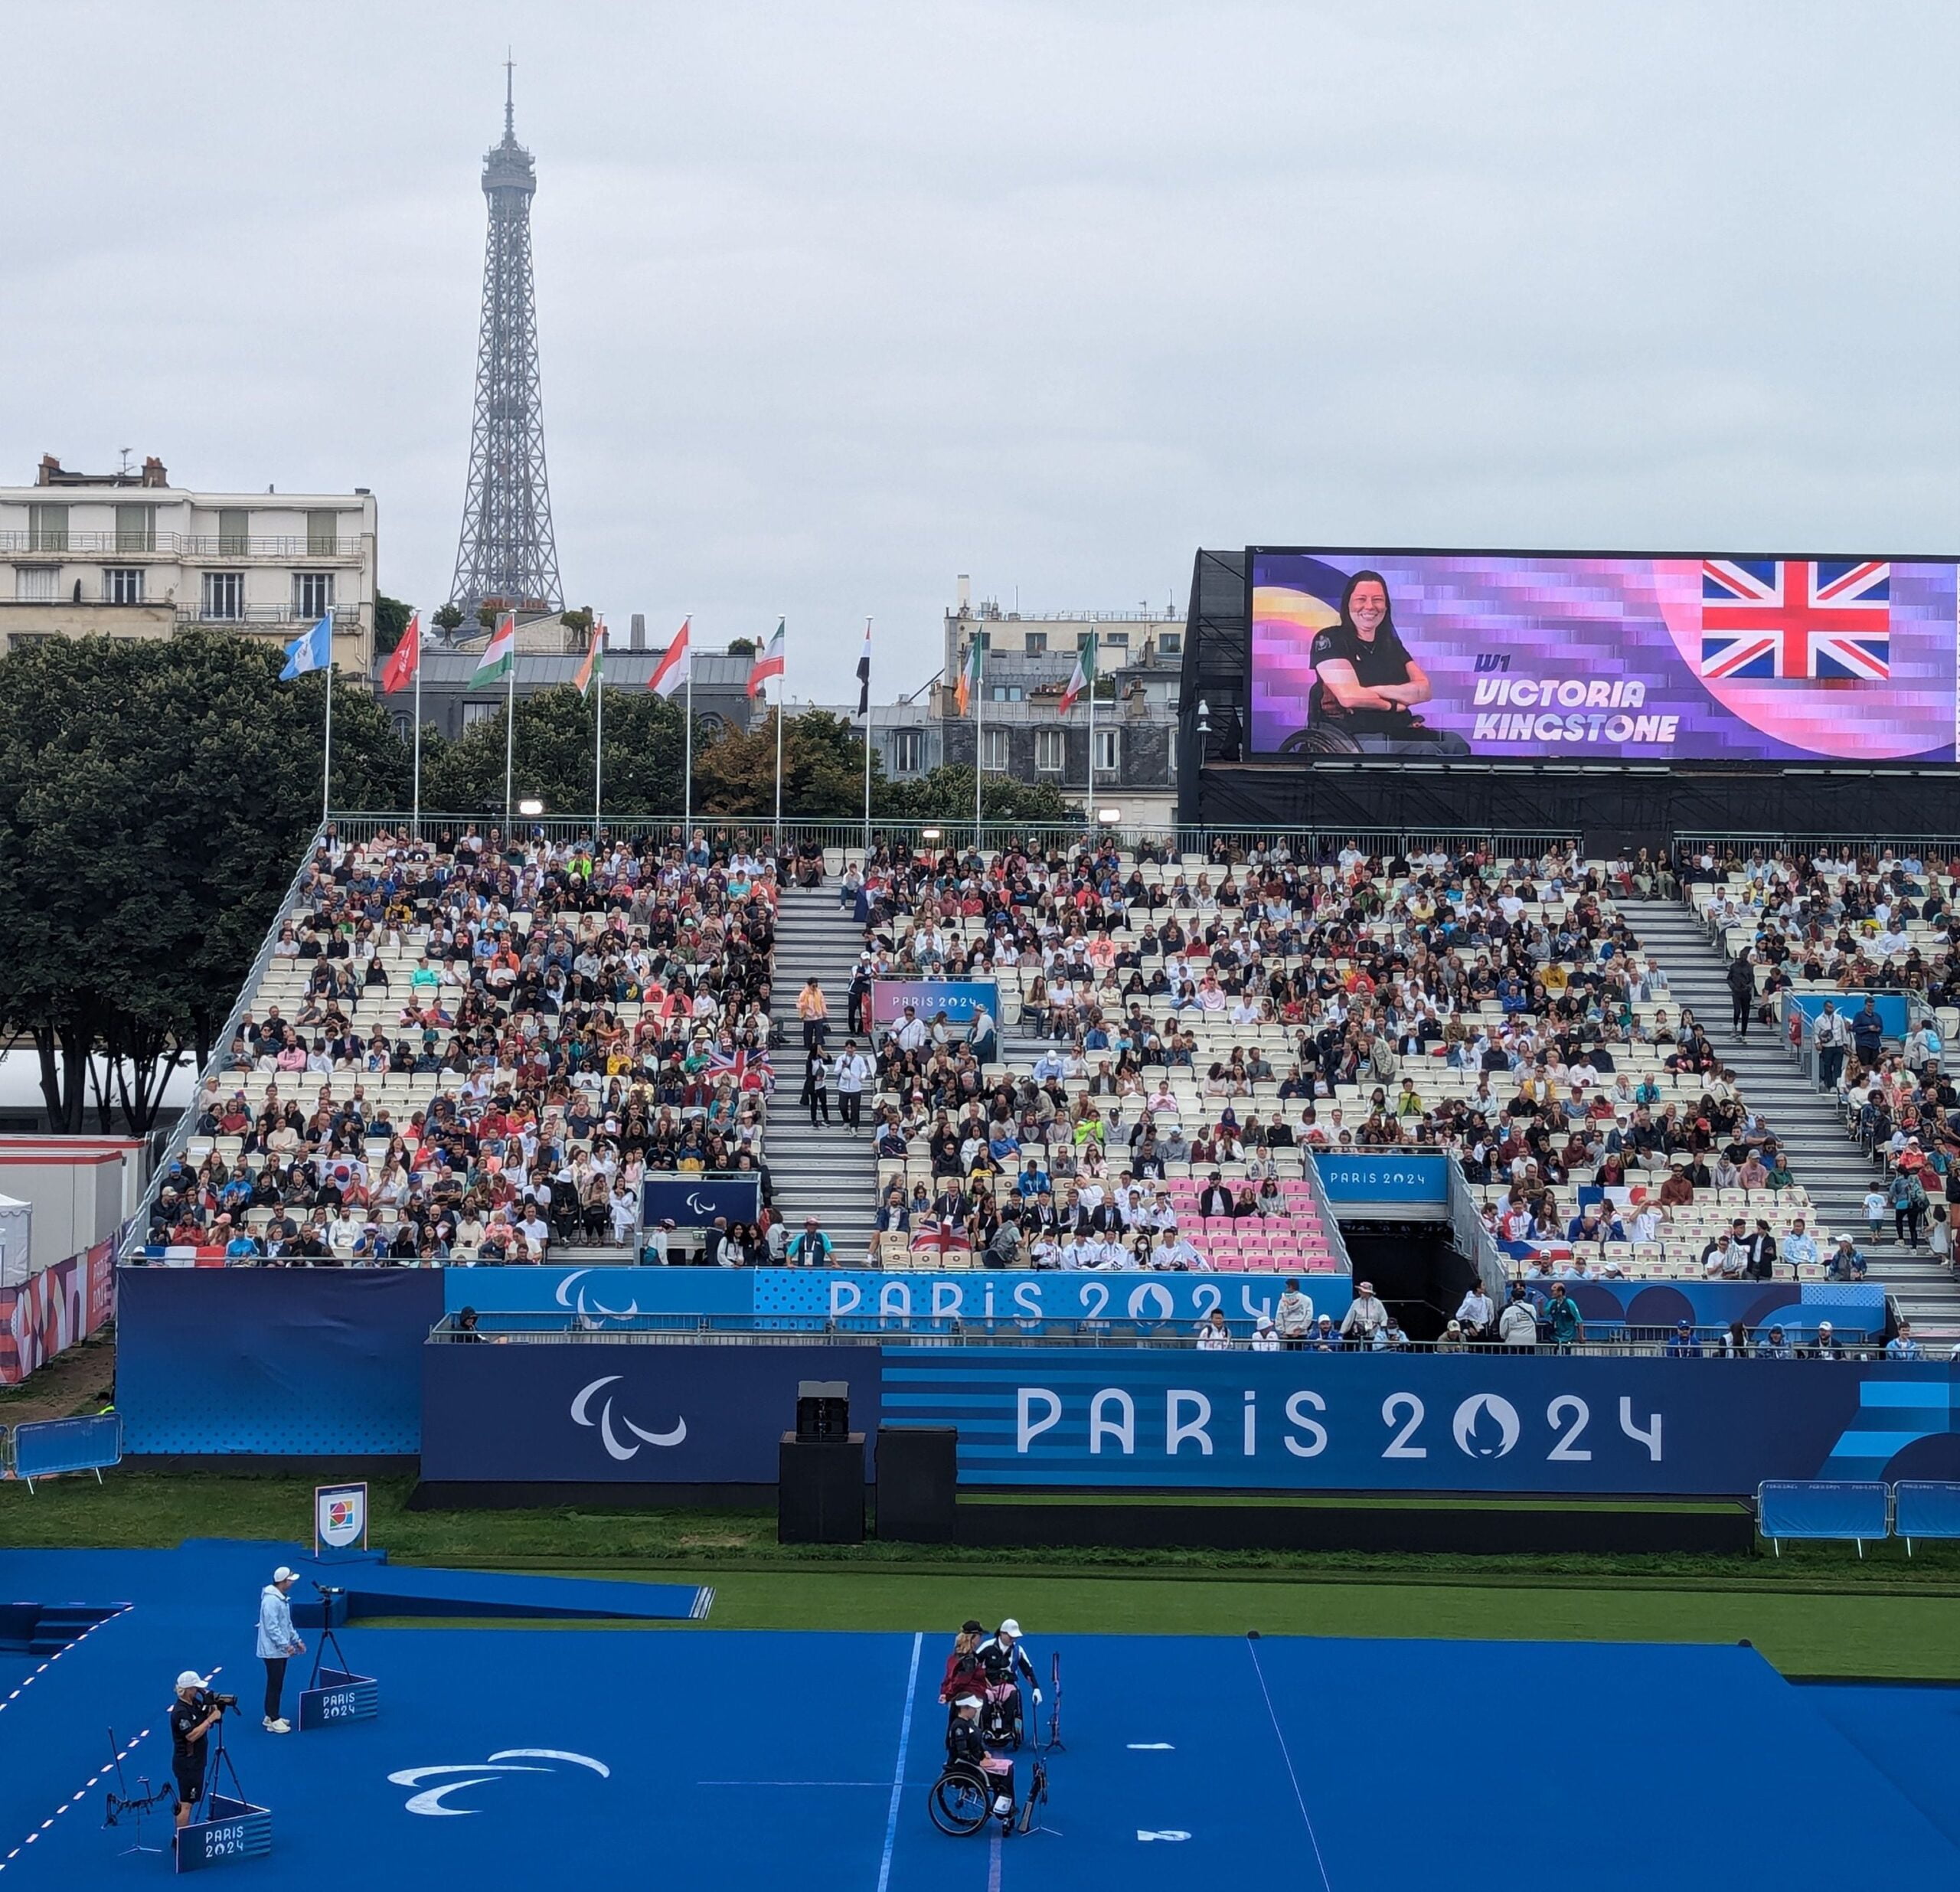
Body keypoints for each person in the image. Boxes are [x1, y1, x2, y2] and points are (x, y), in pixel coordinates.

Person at [1289, 570, 1468, 756]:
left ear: (1386, 605)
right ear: (1348, 603)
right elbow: (1349, 697)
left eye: (1377, 599)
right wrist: (1392, 705)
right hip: (1352, 734)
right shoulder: (1330, 639)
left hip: (1397, 729)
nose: (1370, 606)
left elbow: (1424, 691)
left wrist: (1374, 691)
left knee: (1455, 743)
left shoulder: (1390, 644)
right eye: (1361, 599)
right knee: (1425, 752)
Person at [945, 1694, 1017, 1827]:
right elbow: (963, 1753)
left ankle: (1004, 1806)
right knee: (1005, 1775)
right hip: (967, 1767)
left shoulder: (969, 1723)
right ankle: (1002, 1810)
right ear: (965, 1708)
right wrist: (979, 1763)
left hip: (976, 1762)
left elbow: (976, 1742)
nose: (976, 1711)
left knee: (1009, 1769)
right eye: (973, 1708)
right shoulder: (959, 1727)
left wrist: (984, 1752)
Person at [169, 1671, 226, 1828]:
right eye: (195, 1688)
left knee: (190, 1802)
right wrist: (210, 1719)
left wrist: (212, 1704)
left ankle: (182, 1836)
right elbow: (191, 1736)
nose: (197, 1691)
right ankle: (181, 1838)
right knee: (186, 1804)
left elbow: (204, 1717)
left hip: (197, 1761)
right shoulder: (181, 1712)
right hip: (188, 1764)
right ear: (187, 1690)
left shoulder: (194, 1704)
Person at [256, 1565, 305, 1734]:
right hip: (272, 1651)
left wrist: (296, 1640)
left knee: (277, 1683)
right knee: (275, 1683)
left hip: (279, 1649)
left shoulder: (282, 1599)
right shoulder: (270, 1601)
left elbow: (287, 1623)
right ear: (282, 1582)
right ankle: (273, 1718)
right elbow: (272, 1628)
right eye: (290, 1581)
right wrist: (286, 1645)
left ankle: (271, 1715)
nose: (292, 1584)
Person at [833, 1040, 874, 1135]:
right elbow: (836, 1072)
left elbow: (864, 1070)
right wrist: (842, 1067)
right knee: (842, 1106)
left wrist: (862, 1077)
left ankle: (854, 1126)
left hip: (856, 1088)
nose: (849, 1050)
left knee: (855, 1108)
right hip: (843, 1087)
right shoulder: (841, 1059)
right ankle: (846, 1120)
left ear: (855, 1048)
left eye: (851, 1048)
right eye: (848, 1047)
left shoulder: (859, 1059)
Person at [1497, 1283, 1539, 1351]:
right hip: (1530, 1340)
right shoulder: (1531, 1308)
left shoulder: (1508, 1310)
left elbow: (1503, 1328)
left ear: (1512, 1298)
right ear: (1523, 1297)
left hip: (1514, 1341)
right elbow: (1535, 1320)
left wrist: (1504, 1337)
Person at [1274, 1278, 1314, 1349]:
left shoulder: (1283, 1301)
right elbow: (1309, 1317)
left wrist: (1282, 1331)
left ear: (1291, 1287)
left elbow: (1279, 1315)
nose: (1285, 1289)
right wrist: (1301, 1328)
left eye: (1286, 1287)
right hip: (1301, 1333)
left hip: (1287, 1333)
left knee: (1288, 1357)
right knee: (1301, 1356)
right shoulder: (1307, 1299)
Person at [1725, 950, 1756, 1039]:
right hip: (1736, 992)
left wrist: (1748, 987)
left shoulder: (1749, 967)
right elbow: (1729, 979)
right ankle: (1735, 1026)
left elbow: (1752, 980)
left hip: (1746, 993)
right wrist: (1733, 987)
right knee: (1737, 1011)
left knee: (1746, 1014)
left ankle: (1743, 1033)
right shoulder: (1734, 967)